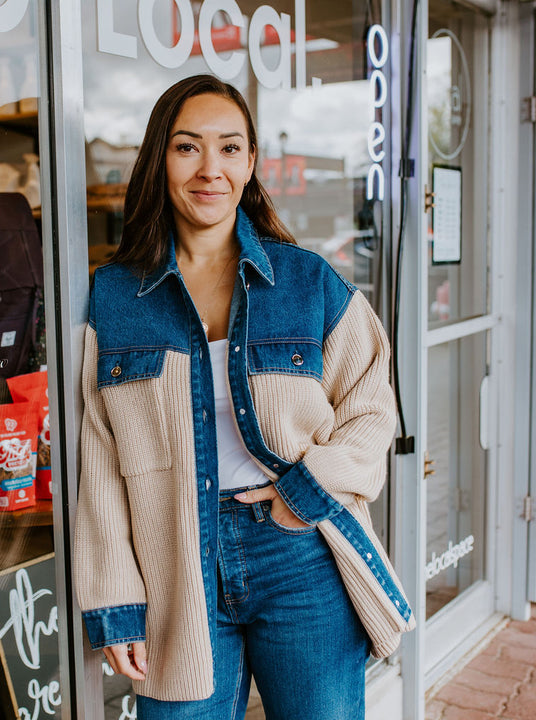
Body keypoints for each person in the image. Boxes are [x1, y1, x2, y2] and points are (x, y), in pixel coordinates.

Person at [73, 74, 414, 720]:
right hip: (175, 565)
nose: (211, 169)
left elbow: (372, 409)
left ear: (251, 162)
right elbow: (100, 465)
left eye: (230, 148)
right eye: (187, 147)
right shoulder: (116, 297)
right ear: (160, 159)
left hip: (299, 554)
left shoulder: (305, 281)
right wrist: (116, 602)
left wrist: (303, 492)